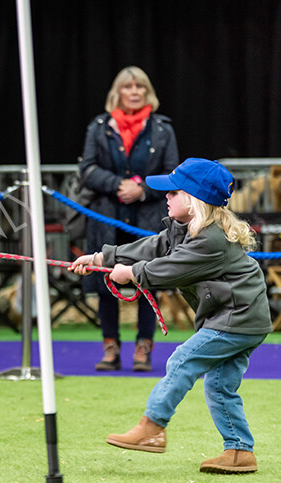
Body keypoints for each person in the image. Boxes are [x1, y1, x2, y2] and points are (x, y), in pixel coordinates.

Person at [70, 158, 272, 474]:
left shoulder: (209, 240)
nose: (165, 196)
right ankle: (239, 452)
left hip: (237, 319)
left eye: (172, 191)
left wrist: (130, 273)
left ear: (193, 200)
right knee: (219, 385)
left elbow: (168, 269)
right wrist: (102, 257)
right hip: (241, 319)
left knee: (181, 360)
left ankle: (152, 428)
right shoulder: (186, 230)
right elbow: (154, 247)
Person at [79, 66, 179, 372]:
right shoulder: (98, 126)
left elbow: (173, 172)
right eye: (128, 87)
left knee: (147, 279)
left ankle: (143, 349)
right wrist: (117, 185)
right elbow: (87, 169)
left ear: (147, 92)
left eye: (140, 87)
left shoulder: (163, 128)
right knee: (105, 278)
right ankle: (110, 349)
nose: (134, 91)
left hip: (147, 219)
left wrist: (143, 189)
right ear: (117, 93)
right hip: (106, 216)